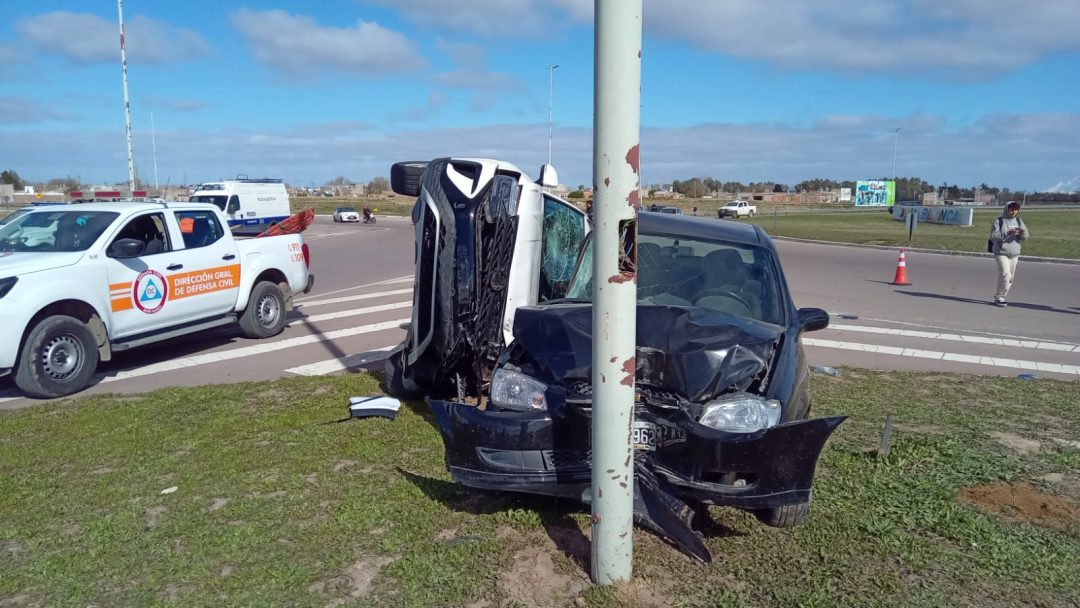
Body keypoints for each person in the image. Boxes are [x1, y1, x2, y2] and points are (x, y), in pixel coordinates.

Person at [988, 201, 1029, 307]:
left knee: (1010, 278)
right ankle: (999, 297)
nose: (1013, 212)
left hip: (1014, 253)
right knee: (1005, 274)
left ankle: (1002, 296)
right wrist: (1007, 233)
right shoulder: (999, 221)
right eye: (1011, 209)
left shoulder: (1019, 221)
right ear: (1007, 209)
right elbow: (993, 236)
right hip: (1001, 252)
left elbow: (1026, 237)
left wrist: (1021, 234)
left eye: (1016, 210)